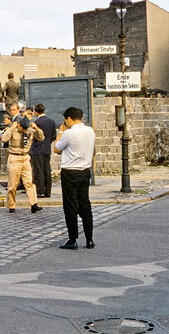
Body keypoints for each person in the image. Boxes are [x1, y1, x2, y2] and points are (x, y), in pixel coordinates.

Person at [54, 107, 96, 250]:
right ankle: (89, 239)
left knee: (70, 206)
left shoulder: (69, 133)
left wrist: (61, 132)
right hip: (85, 171)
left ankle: (73, 239)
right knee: (85, 204)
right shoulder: (90, 131)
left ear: (68, 119)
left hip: (70, 172)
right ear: (82, 118)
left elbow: (56, 148)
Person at [2, 116, 44, 213]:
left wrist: (36, 129)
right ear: (18, 125)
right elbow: (4, 139)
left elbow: (41, 137)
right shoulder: (13, 130)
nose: (24, 130)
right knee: (13, 185)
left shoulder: (29, 130)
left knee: (29, 183)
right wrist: (12, 128)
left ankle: (34, 204)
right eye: (22, 128)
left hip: (25, 158)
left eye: (26, 128)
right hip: (14, 158)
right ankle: (11, 205)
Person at [30, 103, 57, 198]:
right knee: (47, 170)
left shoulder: (37, 123)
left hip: (37, 149)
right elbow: (54, 136)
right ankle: (48, 191)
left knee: (38, 170)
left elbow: (34, 136)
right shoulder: (52, 121)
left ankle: (40, 190)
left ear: (36, 112)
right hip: (47, 149)